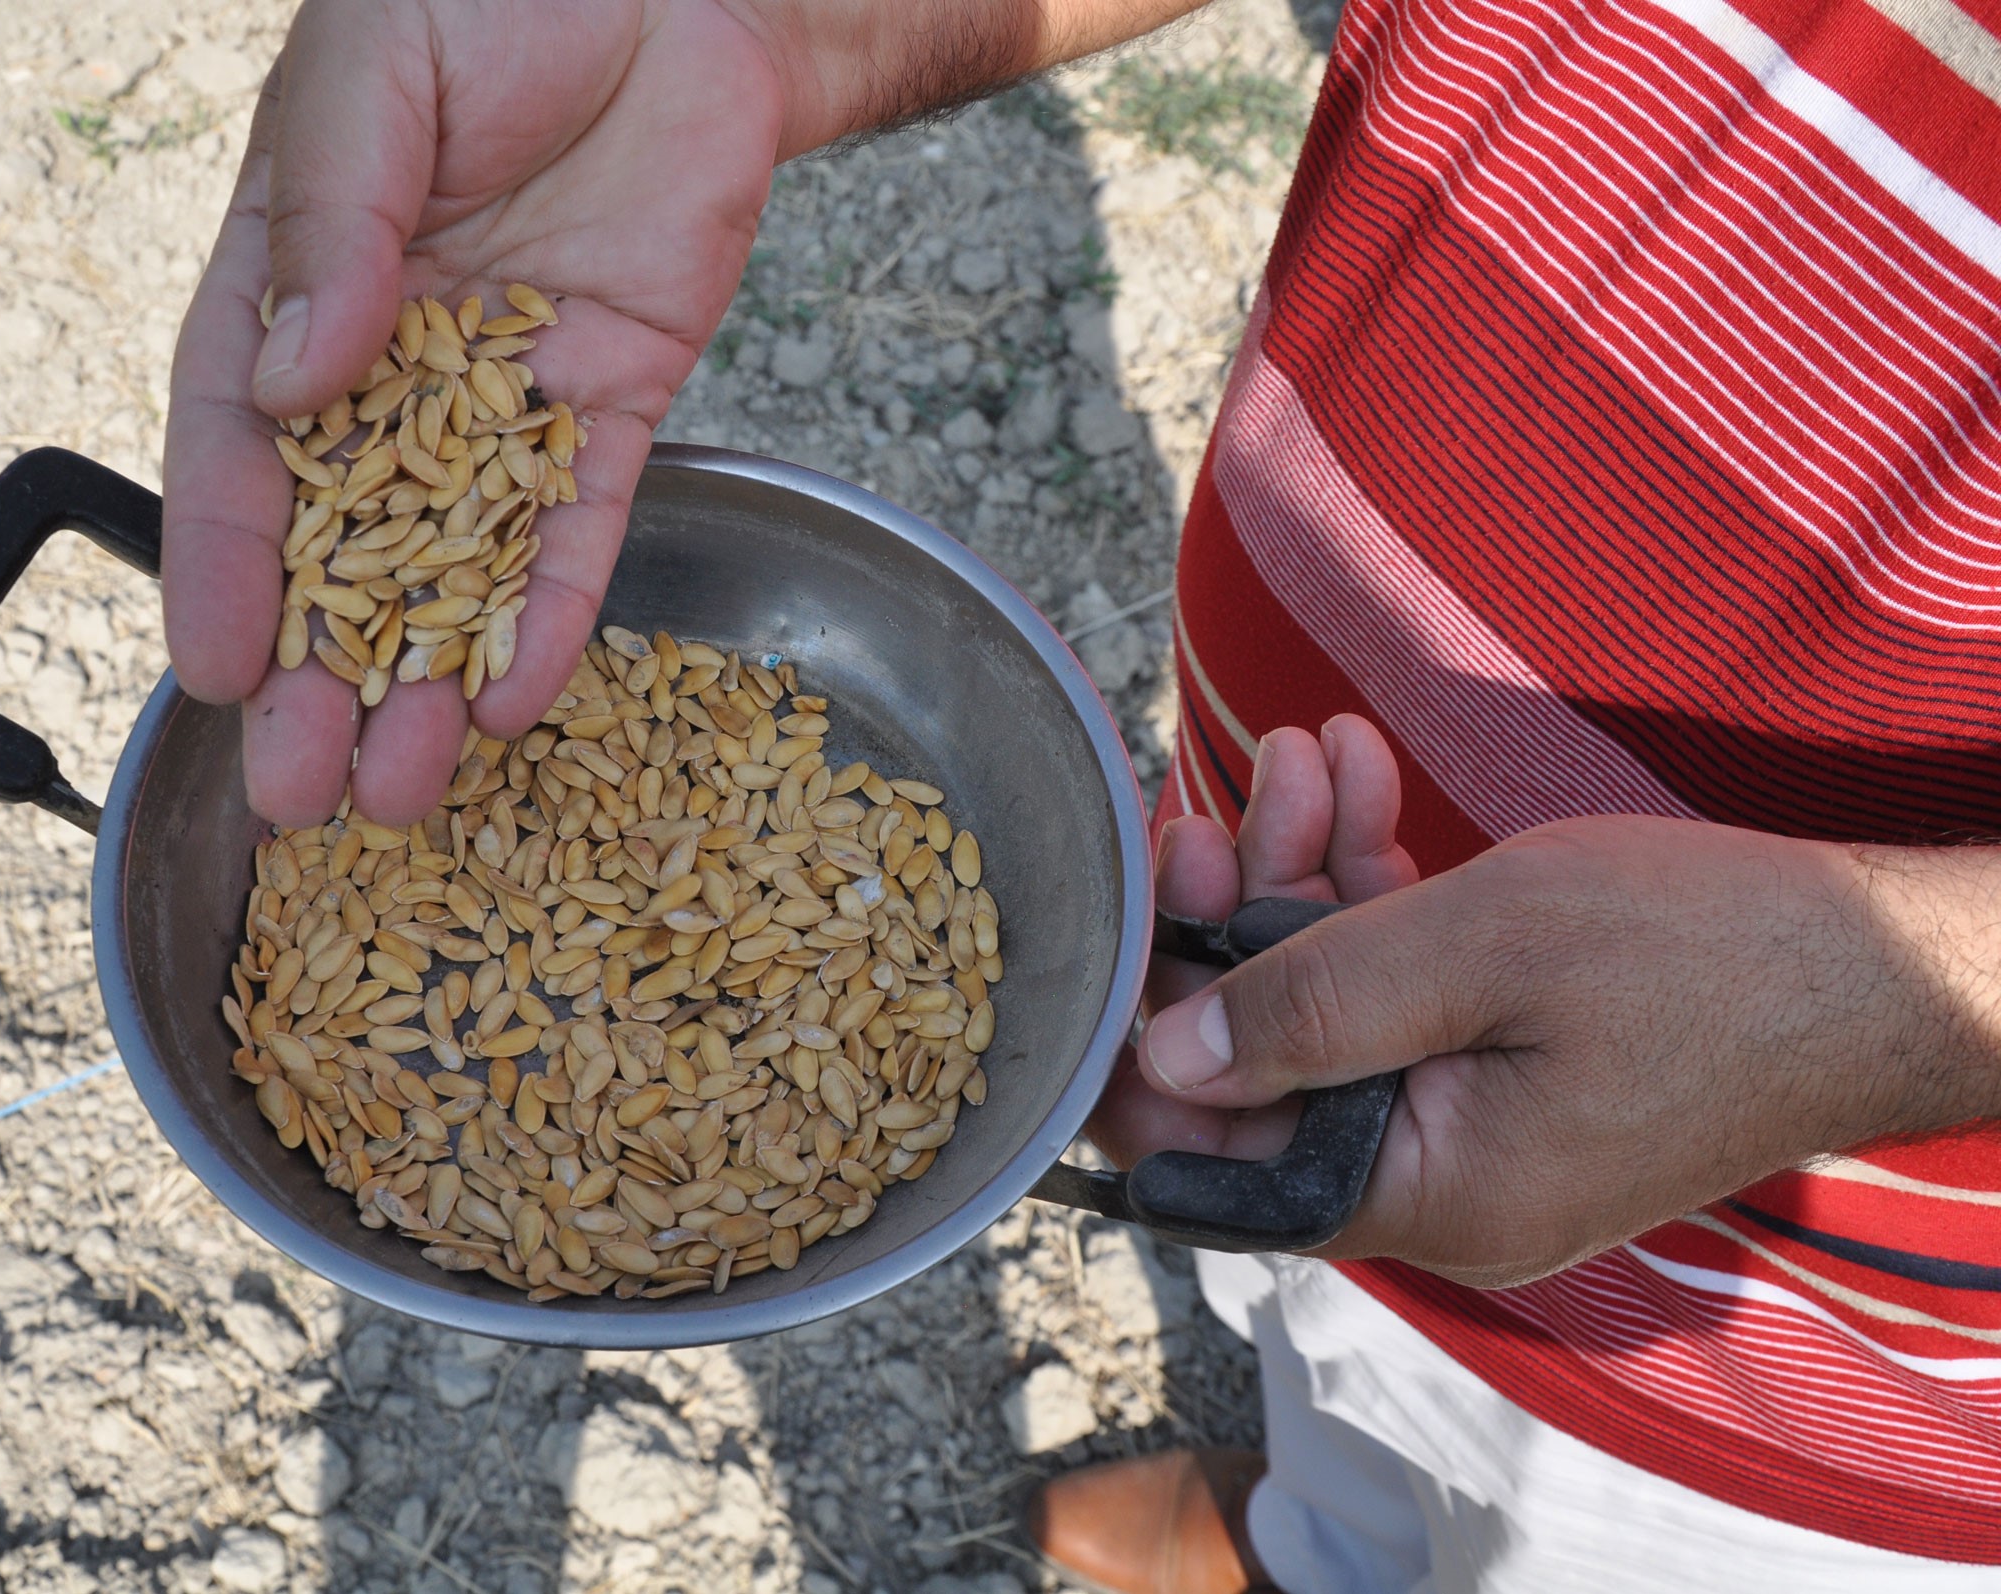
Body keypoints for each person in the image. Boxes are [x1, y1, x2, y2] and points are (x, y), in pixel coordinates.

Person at [158, 0, 2001, 1587]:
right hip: (1299, 845)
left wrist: (1885, 994)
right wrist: (736, 22)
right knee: (1337, 1343)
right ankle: (1313, 1533)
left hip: (1842, 1307)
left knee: (1574, 1531)